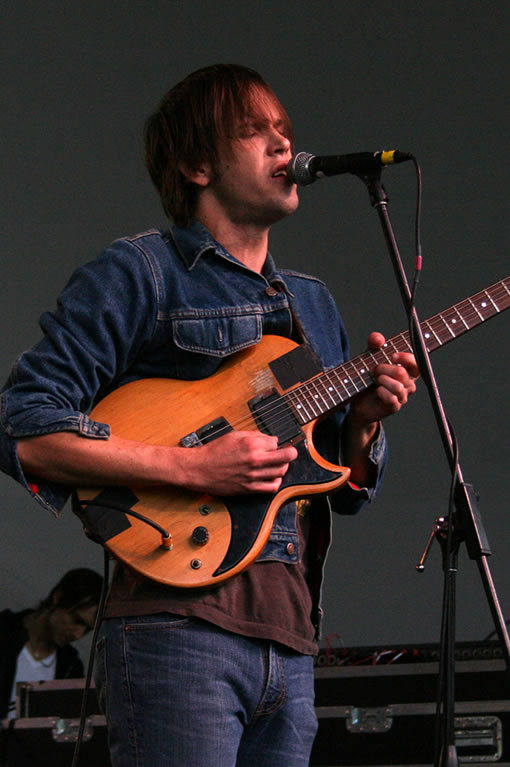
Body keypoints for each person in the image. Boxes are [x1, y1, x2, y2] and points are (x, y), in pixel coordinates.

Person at [0, 64, 419, 765]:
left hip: (290, 641)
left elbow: (338, 491)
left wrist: (366, 423)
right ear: (197, 164)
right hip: (176, 632)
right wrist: (193, 464)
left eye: (286, 134)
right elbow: (26, 425)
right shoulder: (142, 272)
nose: (284, 149)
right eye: (257, 133)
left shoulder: (313, 304)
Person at [0, 568, 103, 719]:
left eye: (87, 630)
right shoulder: (5, 633)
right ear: (58, 597)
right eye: (76, 621)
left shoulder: (70, 665)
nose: (78, 634)